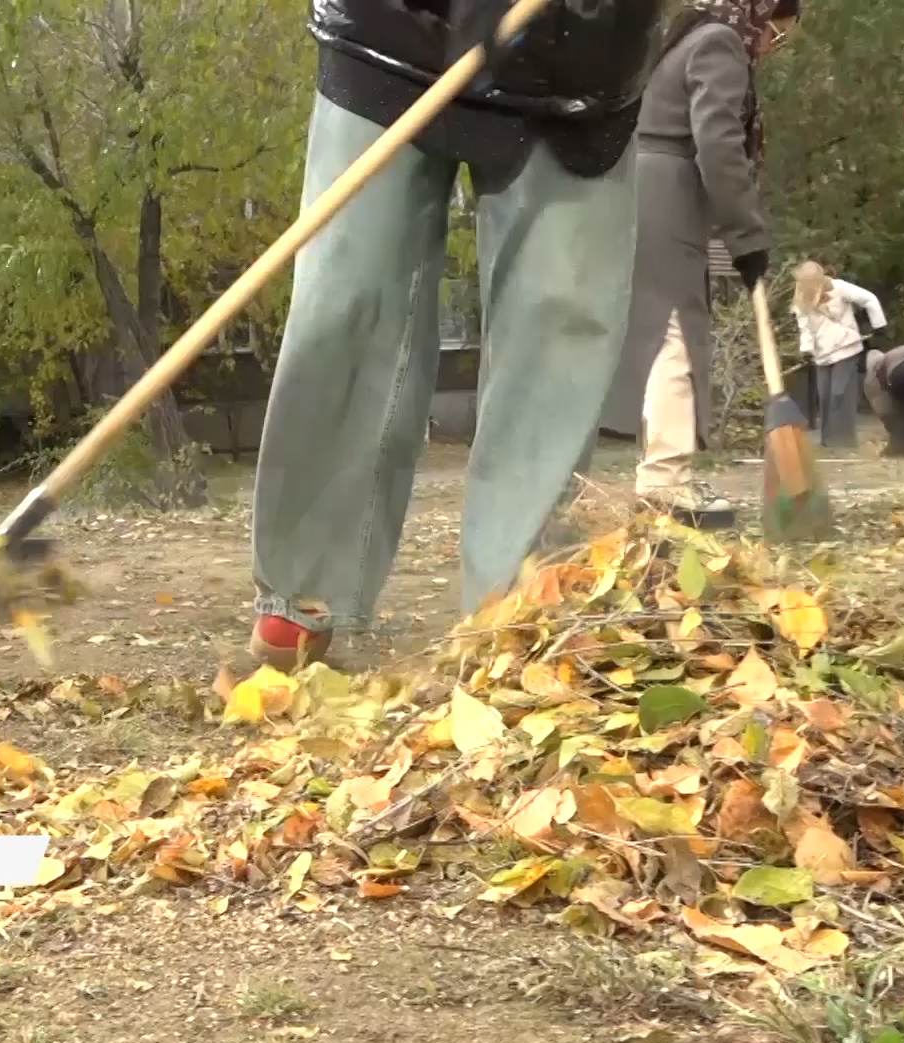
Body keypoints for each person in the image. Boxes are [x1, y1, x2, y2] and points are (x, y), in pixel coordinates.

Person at [247, 0, 669, 670]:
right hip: (388, 26)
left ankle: (518, 611)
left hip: (585, 46)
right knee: (347, 293)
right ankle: (305, 592)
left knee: (555, 323)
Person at [602, 0, 804, 526]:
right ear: (761, 18)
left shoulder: (686, 38)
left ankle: (660, 473)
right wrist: (747, 235)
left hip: (641, 182)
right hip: (667, 187)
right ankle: (667, 481)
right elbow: (718, 142)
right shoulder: (721, 44)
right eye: (776, 37)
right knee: (676, 328)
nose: (769, 49)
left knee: (656, 326)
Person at [791, 261, 885, 449]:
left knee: (839, 392)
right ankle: (828, 439)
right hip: (822, 353)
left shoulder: (839, 287)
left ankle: (844, 439)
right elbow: (805, 326)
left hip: (846, 346)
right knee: (824, 395)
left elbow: (869, 299)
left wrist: (878, 324)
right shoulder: (801, 296)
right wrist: (807, 349)